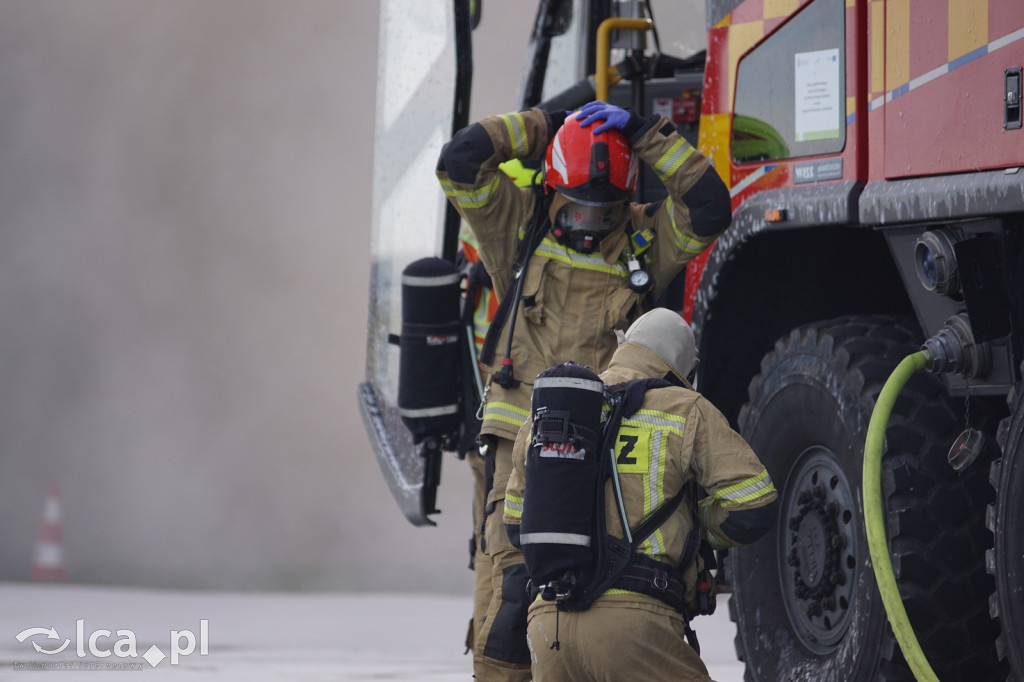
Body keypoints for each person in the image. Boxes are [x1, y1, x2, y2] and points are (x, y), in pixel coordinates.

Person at [436, 101, 731, 680]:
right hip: (519, 440)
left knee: (603, 592)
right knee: (515, 593)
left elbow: (709, 207)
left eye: (606, 211)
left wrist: (646, 134)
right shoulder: (515, 225)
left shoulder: (643, 239)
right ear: (551, 189)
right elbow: (461, 160)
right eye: (578, 207)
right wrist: (546, 121)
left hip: (609, 450)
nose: (592, 223)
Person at [504, 308, 779, 681]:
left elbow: (516, 526)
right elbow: (754, 506)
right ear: (683, 371)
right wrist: (695, 529)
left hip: (548, 627)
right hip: (633, 625)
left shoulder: (553, 414)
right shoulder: (685, 409)